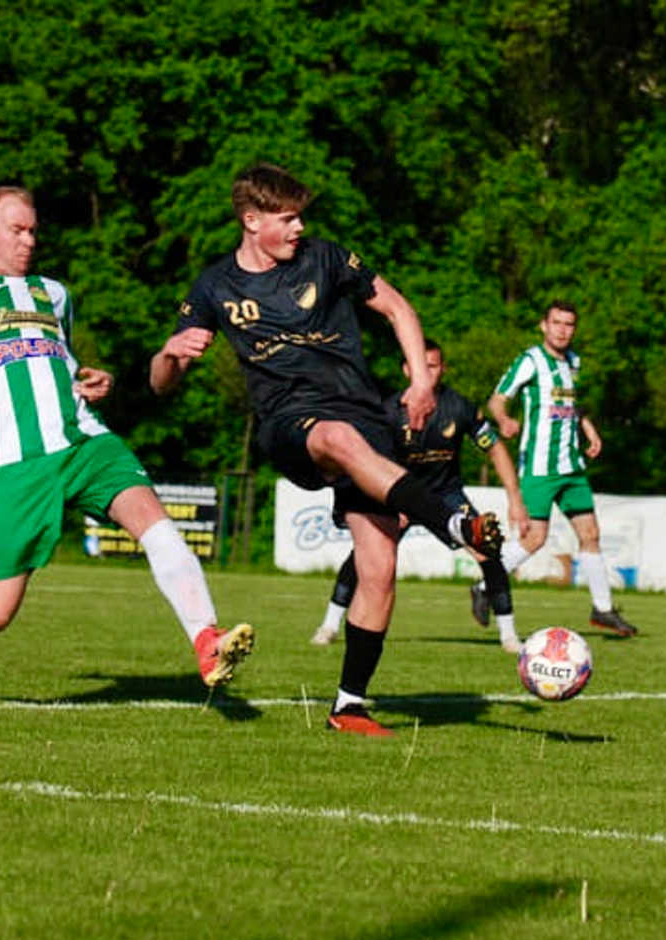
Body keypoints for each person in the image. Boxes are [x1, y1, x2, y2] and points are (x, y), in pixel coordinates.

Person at [150, 163, 502, 737]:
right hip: (290, 423)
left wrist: (420, 382)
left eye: (300, 217)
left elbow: (399, 309)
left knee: (380, 567)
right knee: (337, 438)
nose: (298, 228)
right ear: (251, 220)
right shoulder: (215, 287)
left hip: (366, 420)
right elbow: (159, 385)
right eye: (287, 218)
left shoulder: (327, 258)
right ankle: (454, 524)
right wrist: (168, 354)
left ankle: (349, 707)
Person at [0, 189, 253, 703]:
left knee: (157, 525)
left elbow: (57, 363)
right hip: (17, 464)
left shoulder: (54, 293)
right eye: (17, 230)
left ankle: (207, 641)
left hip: (86, 441)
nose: (30, 239)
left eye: (32, 229)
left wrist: (87, 383)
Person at [311, 339, 530, 652]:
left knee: (488, 549)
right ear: (406, 369)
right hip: (397, 492)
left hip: (446, 495)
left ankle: (509, 636)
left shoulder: (461, 408)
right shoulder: (386, 412)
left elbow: (494, 448)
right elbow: (371, 463)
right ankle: (329, 626)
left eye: (433, 366)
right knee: (367, 556)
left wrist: (515, 499)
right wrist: (390, 502)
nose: (426, 373)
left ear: (443, 369)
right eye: (420, 366)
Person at [485, 301, 637, 637]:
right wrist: (504, 419)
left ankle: (603, 609)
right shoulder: (531, 360)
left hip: (572, 467)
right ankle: (484, 586)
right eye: (556, 323)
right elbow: (498, 398)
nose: (562, 330)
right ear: (544, 325)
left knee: (591, 535)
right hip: (540, 468)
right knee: (534, 538)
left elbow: (572, 404)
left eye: (569, 324)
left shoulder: (574, 362)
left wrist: (589, 429)